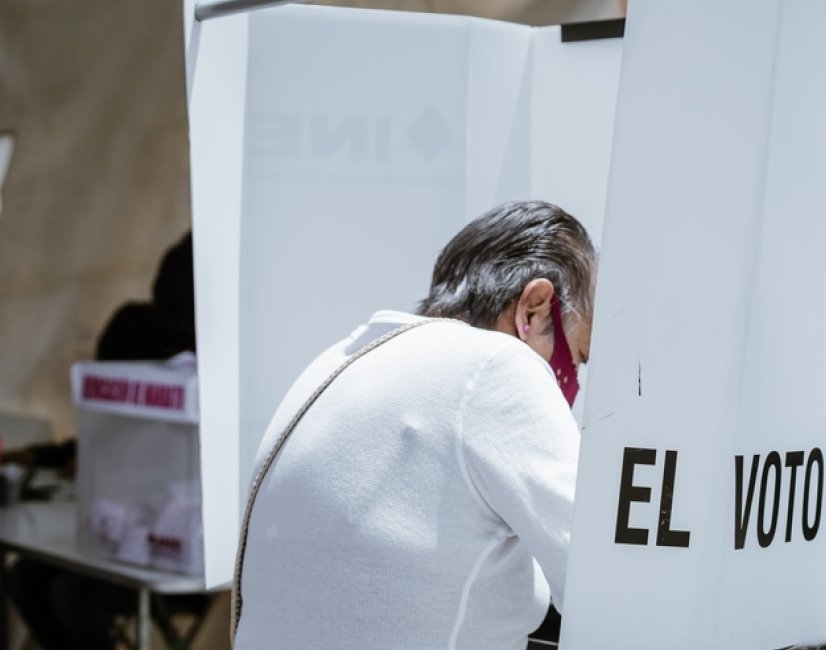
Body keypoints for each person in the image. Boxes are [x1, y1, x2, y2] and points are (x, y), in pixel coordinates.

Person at [233, 201, 595, 650]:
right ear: (535, 310)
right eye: (578, 357)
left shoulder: (336, 361)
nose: (573, 382)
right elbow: (598, 580)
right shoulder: (497, 368)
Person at [9, 232, 207, 650]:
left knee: (69, 593)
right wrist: (50, 455)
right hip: (121, 527)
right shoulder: (136, 327)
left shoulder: (218, 355)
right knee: (26, 577)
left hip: (184, 543)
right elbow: (109, 431)